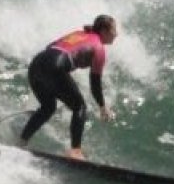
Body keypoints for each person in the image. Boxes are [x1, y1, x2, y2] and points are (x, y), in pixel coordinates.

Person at [17, 15, 117, 159]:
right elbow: (95, 82)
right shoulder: (99, 49)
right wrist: (102, 106)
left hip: (36, 64)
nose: (116, 34)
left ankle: (21, 141)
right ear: (103, 31)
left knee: (48, 107)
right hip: (55, 67)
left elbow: (50, 47)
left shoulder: (78, 34)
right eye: (114, 30)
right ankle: (75, 151)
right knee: (80, 107)